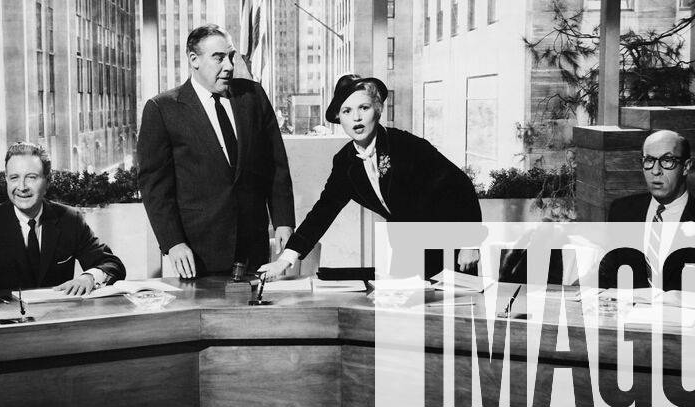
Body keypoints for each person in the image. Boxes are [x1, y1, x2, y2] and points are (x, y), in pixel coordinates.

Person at [258, 74, 481, 280]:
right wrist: (285, 260)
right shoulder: (345, 161)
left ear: (378, 109)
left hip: (453, 244)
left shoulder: (407, 146)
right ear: (338, 118)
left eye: (363, 107)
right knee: (402, 317)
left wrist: (470, 242)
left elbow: (459, 185)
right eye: (346, 111)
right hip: (408, 247)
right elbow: (324, 210)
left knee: (455, 317)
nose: (356, 118)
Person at [137, 24, 295, 277]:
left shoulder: (253, 96)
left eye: (231, 56)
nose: (230, 66)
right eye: (219, 58)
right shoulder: (162, 109)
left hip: (253, 245)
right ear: (194, 59)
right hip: (197, 250)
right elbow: (155, 187)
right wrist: (173, 242)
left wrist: (284, 221)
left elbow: (276, 165)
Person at [0, 141, 124, 294]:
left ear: (47, 182)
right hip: (3, 325)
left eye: (31, 177)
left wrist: (89, 277)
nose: (21, 187)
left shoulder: (70, 220)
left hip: (58, 323)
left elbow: (111, 264)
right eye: (14, 178)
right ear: (6, 179)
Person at [600, 129, 695, 294]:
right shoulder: (621, 212)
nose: (656, 171)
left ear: (686, 167)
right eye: (649, 160)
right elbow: (606, 278)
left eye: (667, 161)